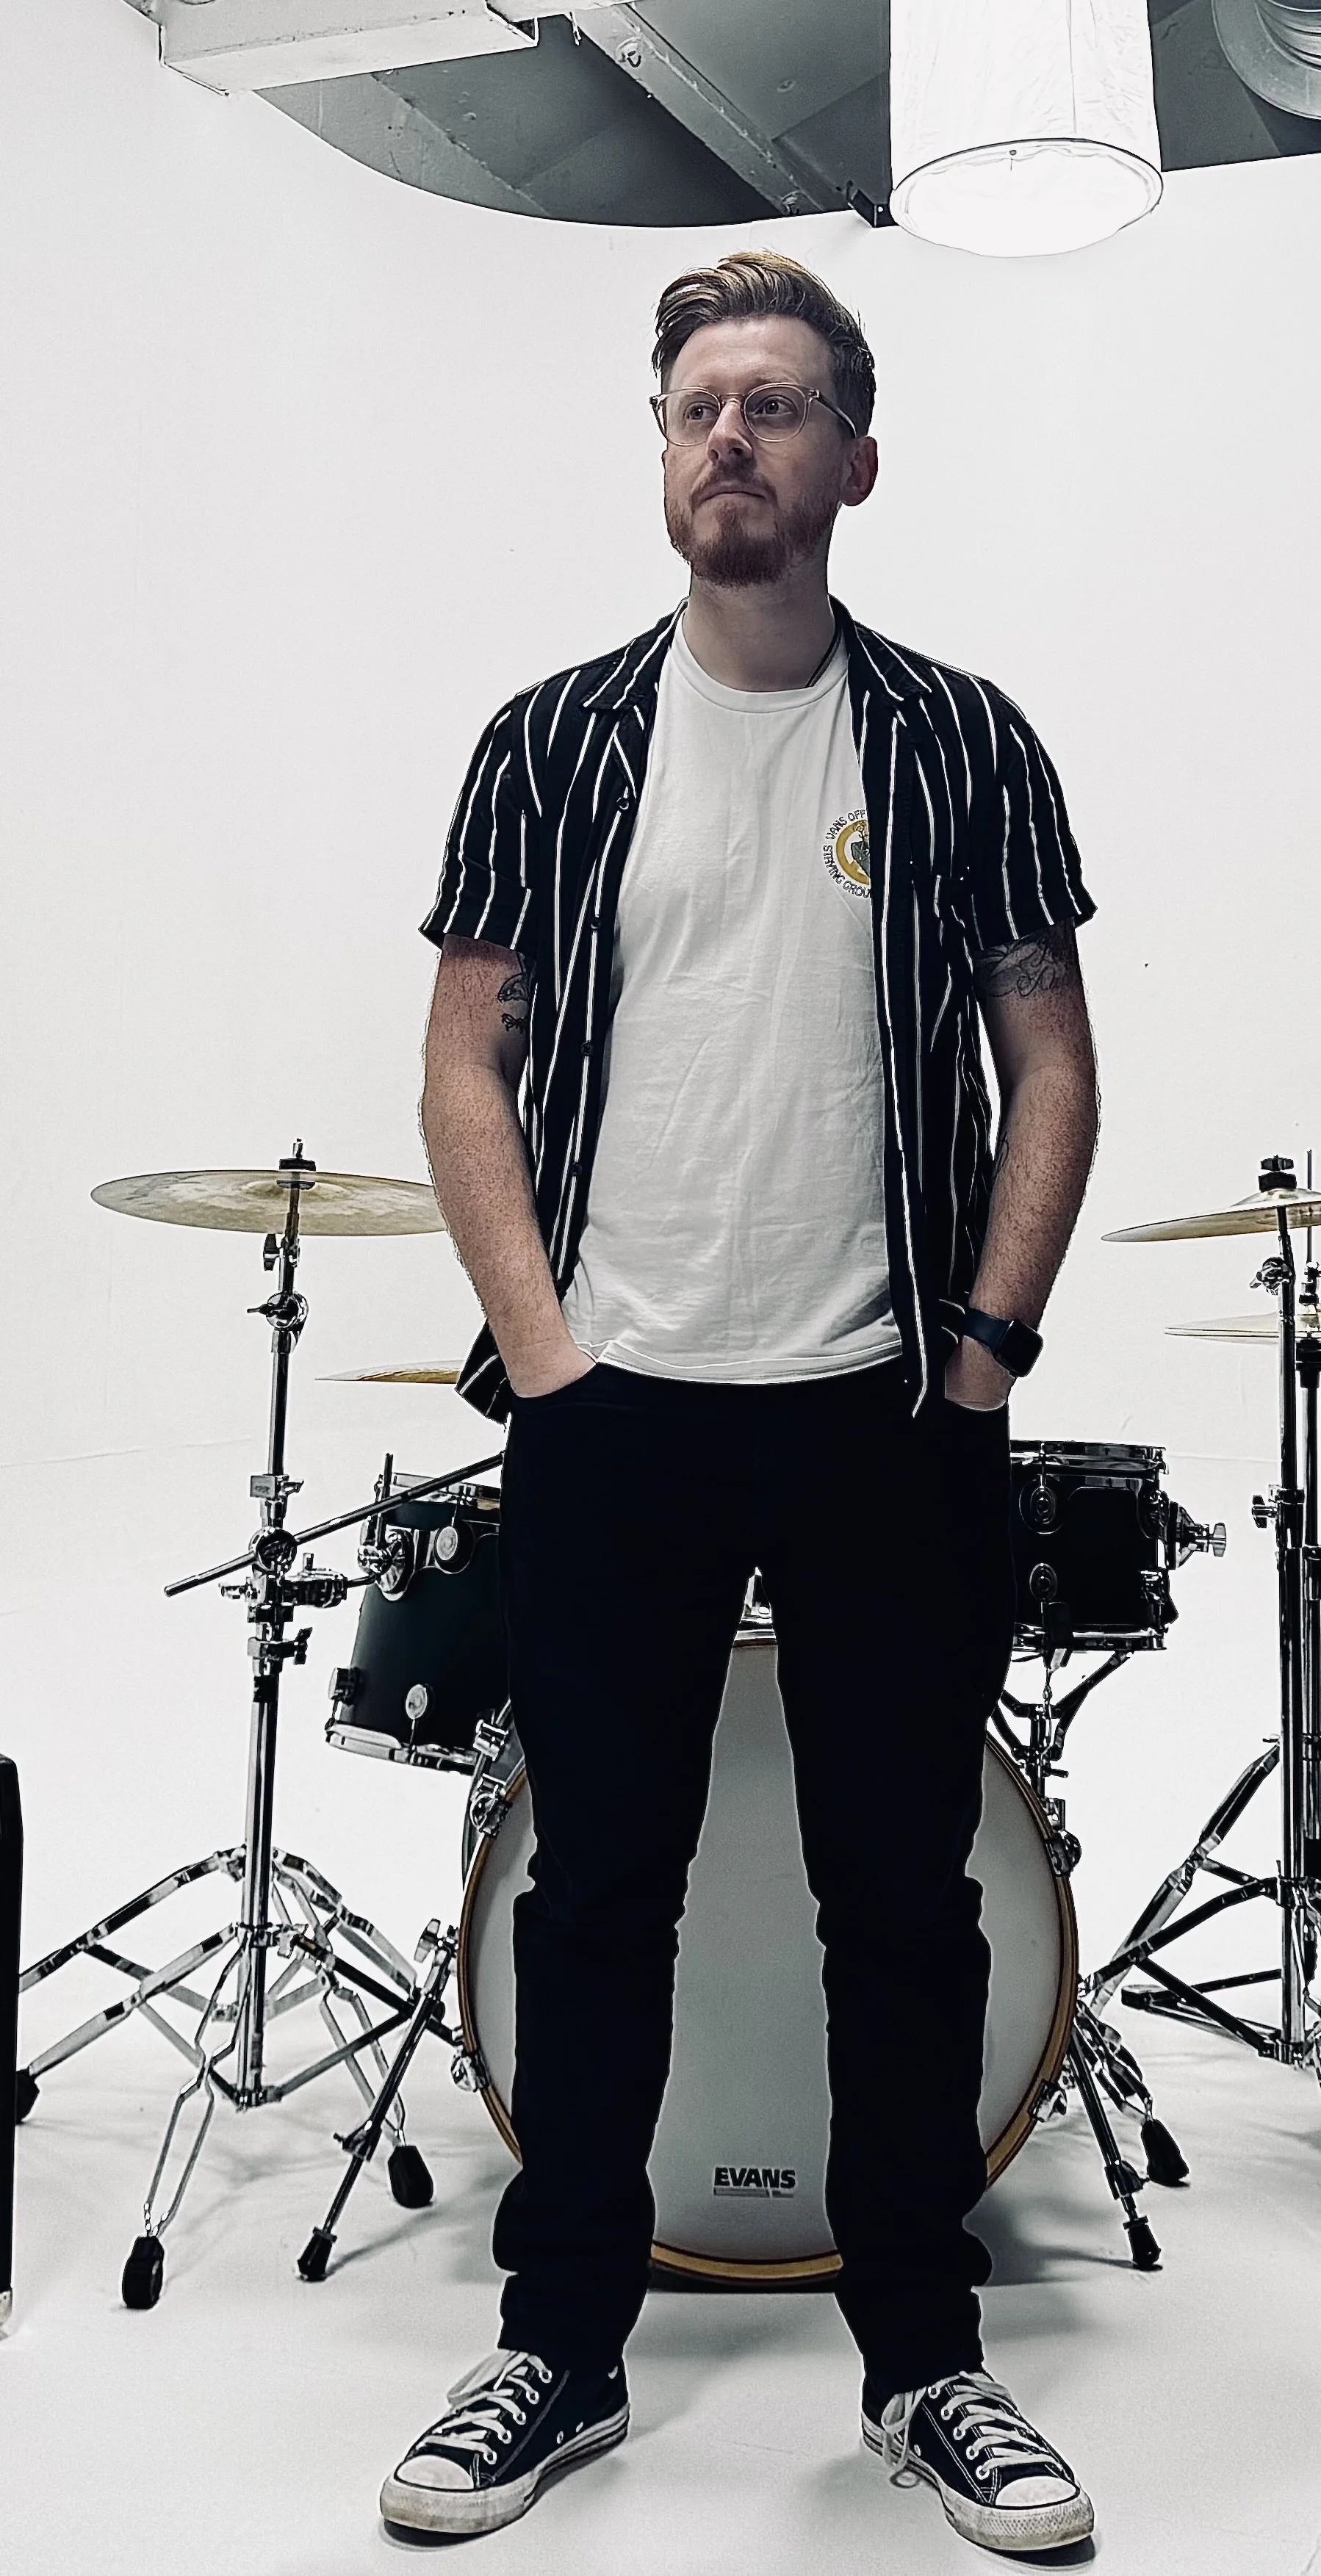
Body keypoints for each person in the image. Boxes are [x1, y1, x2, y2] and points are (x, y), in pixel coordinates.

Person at [384, 250, 1101, 2557]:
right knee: (597, 1895)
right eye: (697, 401)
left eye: (779, 403)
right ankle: (559, 2346)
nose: (731, 436)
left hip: (889, 1408)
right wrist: (552, 1359)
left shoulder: (965, 737)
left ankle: (927, 2366)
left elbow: (1049, 1065)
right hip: (618, 1408)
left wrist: (981, 1354)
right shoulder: (552, 738)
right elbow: (463, 1059)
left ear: (851, 459)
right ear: (660, 444)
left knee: (900, 1902)